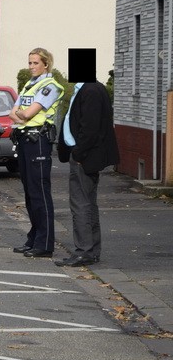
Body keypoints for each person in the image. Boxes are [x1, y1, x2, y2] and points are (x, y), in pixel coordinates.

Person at [55, 48, 119, 267]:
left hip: (85, 157)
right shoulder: (91, 88)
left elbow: (90, 128)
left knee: (80, 204)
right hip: (87, 155)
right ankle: (91, 250)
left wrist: (78, 154)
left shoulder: (89, 91)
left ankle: (84, 250)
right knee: (89, 204)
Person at [9, 48, 65, 258]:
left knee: (40, 192)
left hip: (38, 140)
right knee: (30, 193)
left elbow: (28, 113)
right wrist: (21, 115)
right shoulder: (29, 85)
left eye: (35, 63)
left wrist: (22, 115)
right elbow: (12, 112)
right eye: (30, 63)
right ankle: (33, 238)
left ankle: (45, 243)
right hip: (24, 140)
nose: (31, 67)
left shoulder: (50, 86)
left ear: (46, 65)